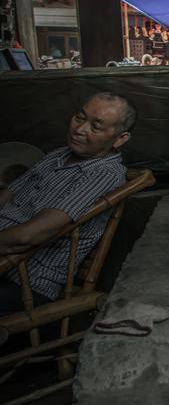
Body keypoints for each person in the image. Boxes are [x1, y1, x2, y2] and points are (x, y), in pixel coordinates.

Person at [0, 93, 135, 315]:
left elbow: (27, 237)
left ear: (120, 139)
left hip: (24, 284)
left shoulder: (104, 174)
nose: (80, 129)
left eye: (96, 126)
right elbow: (8, 194)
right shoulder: (58, 155)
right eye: (79, 118)